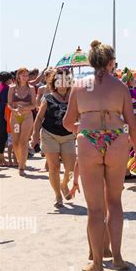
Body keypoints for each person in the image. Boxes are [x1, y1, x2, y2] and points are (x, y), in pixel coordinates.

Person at [63, 40, 136, 271]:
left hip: (89, 140)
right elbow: (132, 125)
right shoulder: (120, 87)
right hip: (117, 139)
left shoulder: (79, 85)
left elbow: (67, 122)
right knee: (115, 203)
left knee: (94, 208)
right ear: (109, 62)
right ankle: (116, 257)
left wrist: (82, 129)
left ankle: (97, 263)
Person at [30, 68, 76, 208]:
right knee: (54, 167)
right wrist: (35, 135)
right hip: (49, 135)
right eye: (59, 79)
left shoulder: (74, 98)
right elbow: (38, 119)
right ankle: (57, 196)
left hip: (68, 136)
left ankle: (63, 184)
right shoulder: (48, 98)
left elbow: (80, 116)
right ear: (54, 81)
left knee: (71, 169)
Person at [7, 68, 36, 176]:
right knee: (15, 142)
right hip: (15, 117)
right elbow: (9, 104)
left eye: (27, 75)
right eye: (23, 75)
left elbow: (34, 104)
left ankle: (21, 166)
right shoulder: (11, 88)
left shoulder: (31, 88)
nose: (25, 77)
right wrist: (13, 109)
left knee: (23, 142)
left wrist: (24, 108)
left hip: (27, 116)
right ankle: (20, 161)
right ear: (18, 76)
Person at [0, 71, 13, 166]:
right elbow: (6, 103)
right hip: (2, 115)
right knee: (2, 137)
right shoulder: (7, 88)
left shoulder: (0, 86)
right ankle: (1, 160)